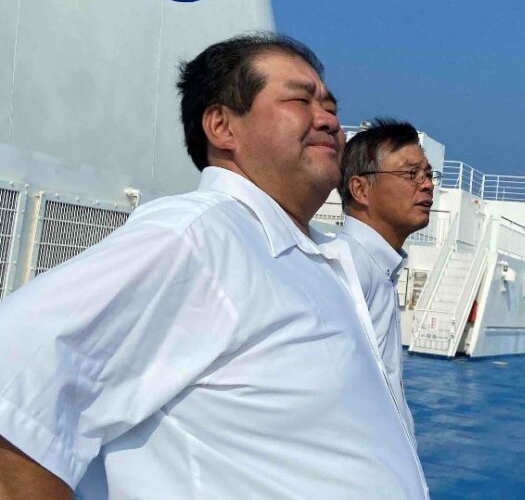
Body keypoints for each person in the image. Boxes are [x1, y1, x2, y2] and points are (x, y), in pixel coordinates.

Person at [0, 33, 428, 500]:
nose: (328, 120)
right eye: (300, 101)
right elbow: (15, 371)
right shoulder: (199, 236)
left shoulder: (311, 257)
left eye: (330, 106)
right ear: (222, 127)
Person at [337, 118, 439, 439]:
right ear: (360, 189)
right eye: (411, 174)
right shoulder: (347, 270)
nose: (427, 184)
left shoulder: (378, 270)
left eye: (428, 174)